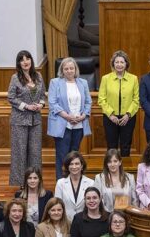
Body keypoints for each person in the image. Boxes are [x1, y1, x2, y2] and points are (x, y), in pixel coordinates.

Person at [48, 57, 92, 179]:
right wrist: (68, 117)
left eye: (71, 68)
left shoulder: (83, 83)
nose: (69, 71)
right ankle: (61, 184)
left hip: (79, 124)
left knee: (74, 156)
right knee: (62, 156)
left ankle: (73, 181)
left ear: (75, 69)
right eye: (66, 68)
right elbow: (52, 103)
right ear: (62, 70)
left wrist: (83, 116)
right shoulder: (55, 82)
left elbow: (88, 102)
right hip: (63, 124)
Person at [8, 50, 46, 185]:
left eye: (28, 58)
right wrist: (26, 106)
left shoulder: (38, 76)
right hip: (20, 121)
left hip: (35, 120)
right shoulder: (15, 78)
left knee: (35, 153)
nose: (25, 62)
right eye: (22, 59)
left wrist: (41, 105)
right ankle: (20, 184)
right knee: (20, 153)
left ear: (31, 61)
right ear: (19, 63)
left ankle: (35, 181)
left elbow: (43, 96)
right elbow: (11, 97)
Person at [98, 50, 139, 156]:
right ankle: (111, 171)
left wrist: (128, 115)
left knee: (126, 145)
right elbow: (101, 99)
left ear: (126, 64)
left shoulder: (133, 79)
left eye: (122, 62)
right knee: (111, 146)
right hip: (110, 117)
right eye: (117, 62)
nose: (119, 64)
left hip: (128, 118)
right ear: (113, 64)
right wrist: (111, 114)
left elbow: (136, 99)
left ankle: (125, 170)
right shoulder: (106, 78)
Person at [55, 151, 94, 222]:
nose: (74, 167)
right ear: (67, 166)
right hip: (66, 223)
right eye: (71, 164)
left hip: (85, 222)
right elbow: (57, 205)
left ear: (82, 166)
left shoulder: (91, 183)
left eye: (77, 164)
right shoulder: (60, 183)